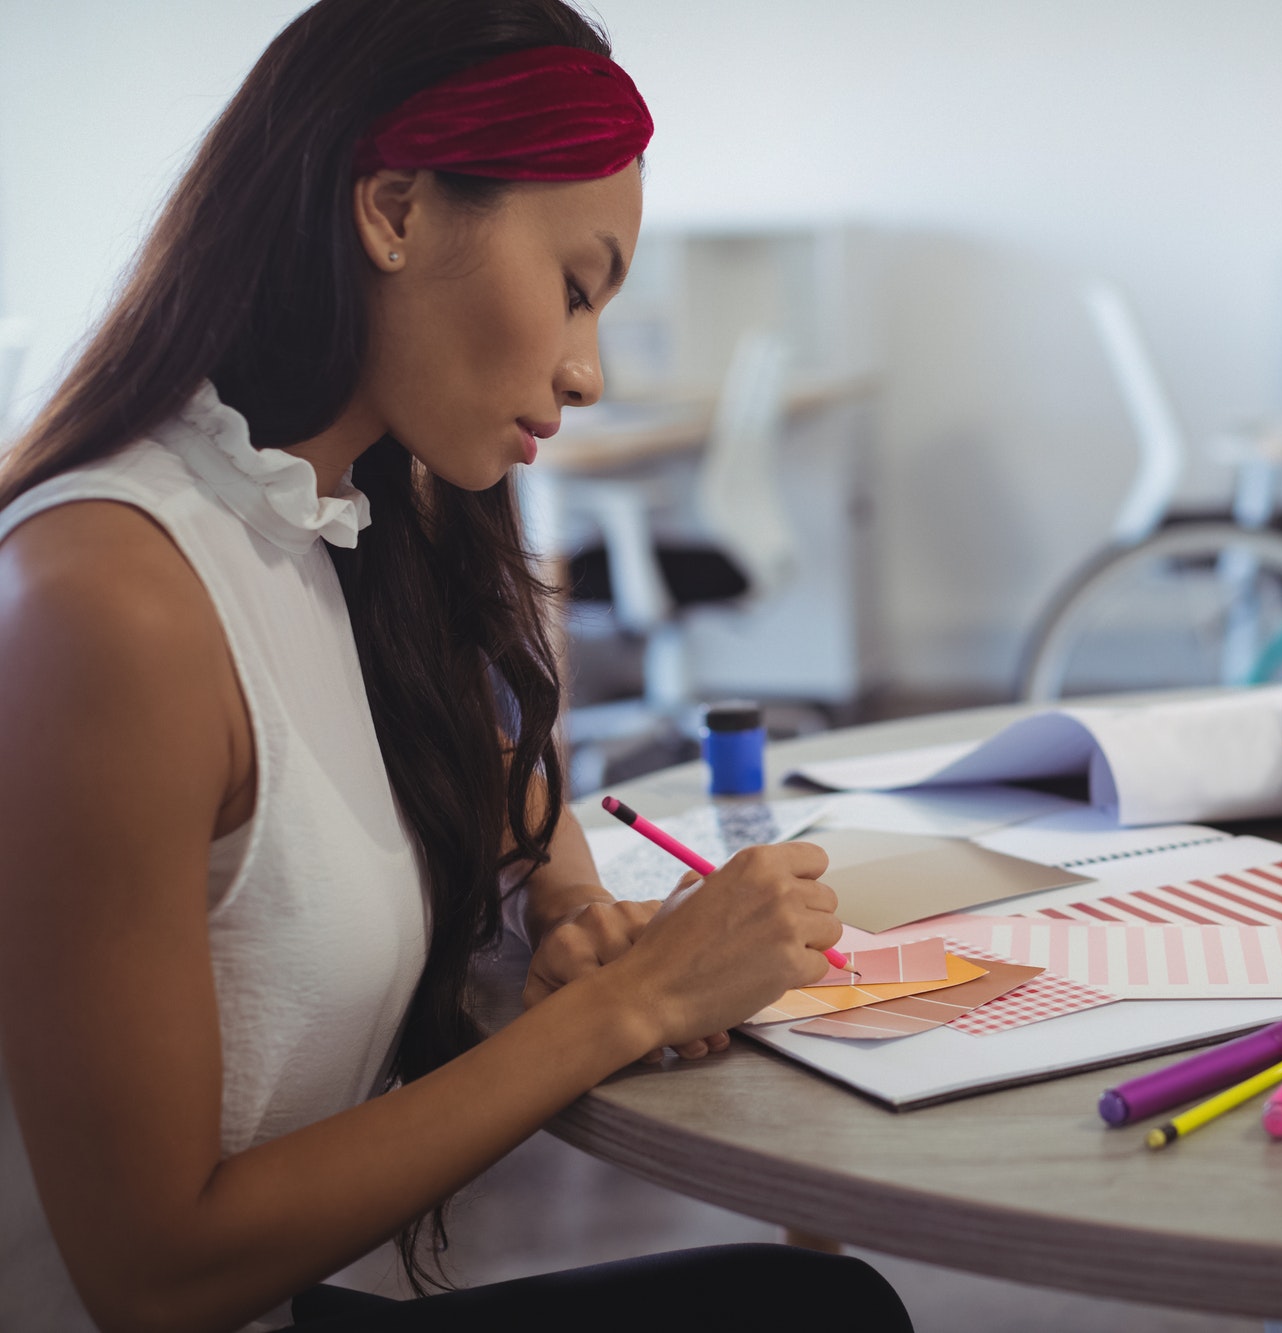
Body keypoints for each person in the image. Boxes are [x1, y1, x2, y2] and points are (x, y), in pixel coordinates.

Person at [0, 2, 912, 1330]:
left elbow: (443, 756)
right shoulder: (109, 602)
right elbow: (148, 1274)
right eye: (576, 286)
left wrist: (566, 896)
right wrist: (635, 998)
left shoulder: (331, 515)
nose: (587, 369)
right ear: (393, 211)